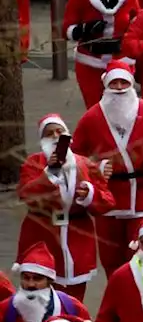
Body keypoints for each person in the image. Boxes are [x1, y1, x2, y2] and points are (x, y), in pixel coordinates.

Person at [70, 61, 143, 275]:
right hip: (108, 200)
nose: (119, 88)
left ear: (131, 84)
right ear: (106, 85)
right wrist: (94, 169)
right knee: (111, 261)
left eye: (123, 82)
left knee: (142, 258)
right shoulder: (92, 117)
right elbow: (74, 156)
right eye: (114, 83)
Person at [18, 115, 114, 301]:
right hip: (43, 235)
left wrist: (90, 195)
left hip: (77, 239)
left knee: (74, 295)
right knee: (40, 291)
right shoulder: (33, 163)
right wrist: (50, 173)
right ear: (41, 139)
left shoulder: (85, 164)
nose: (55, 136)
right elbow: (26, 195)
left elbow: (108, 201)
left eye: (59, 132)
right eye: (49, 133)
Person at [0, 244, 94, 322]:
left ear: (49, 280)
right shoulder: (5, 310)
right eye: (26, 277)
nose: (30, 284)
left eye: (37, 278)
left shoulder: (72, 308)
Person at [63, 0, 140, 106]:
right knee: (95, 108)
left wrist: (127, 42)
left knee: (123, 106)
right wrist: (85, 29)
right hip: (90, 62)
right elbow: (66, 29)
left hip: (121, 60)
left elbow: (138, 23)